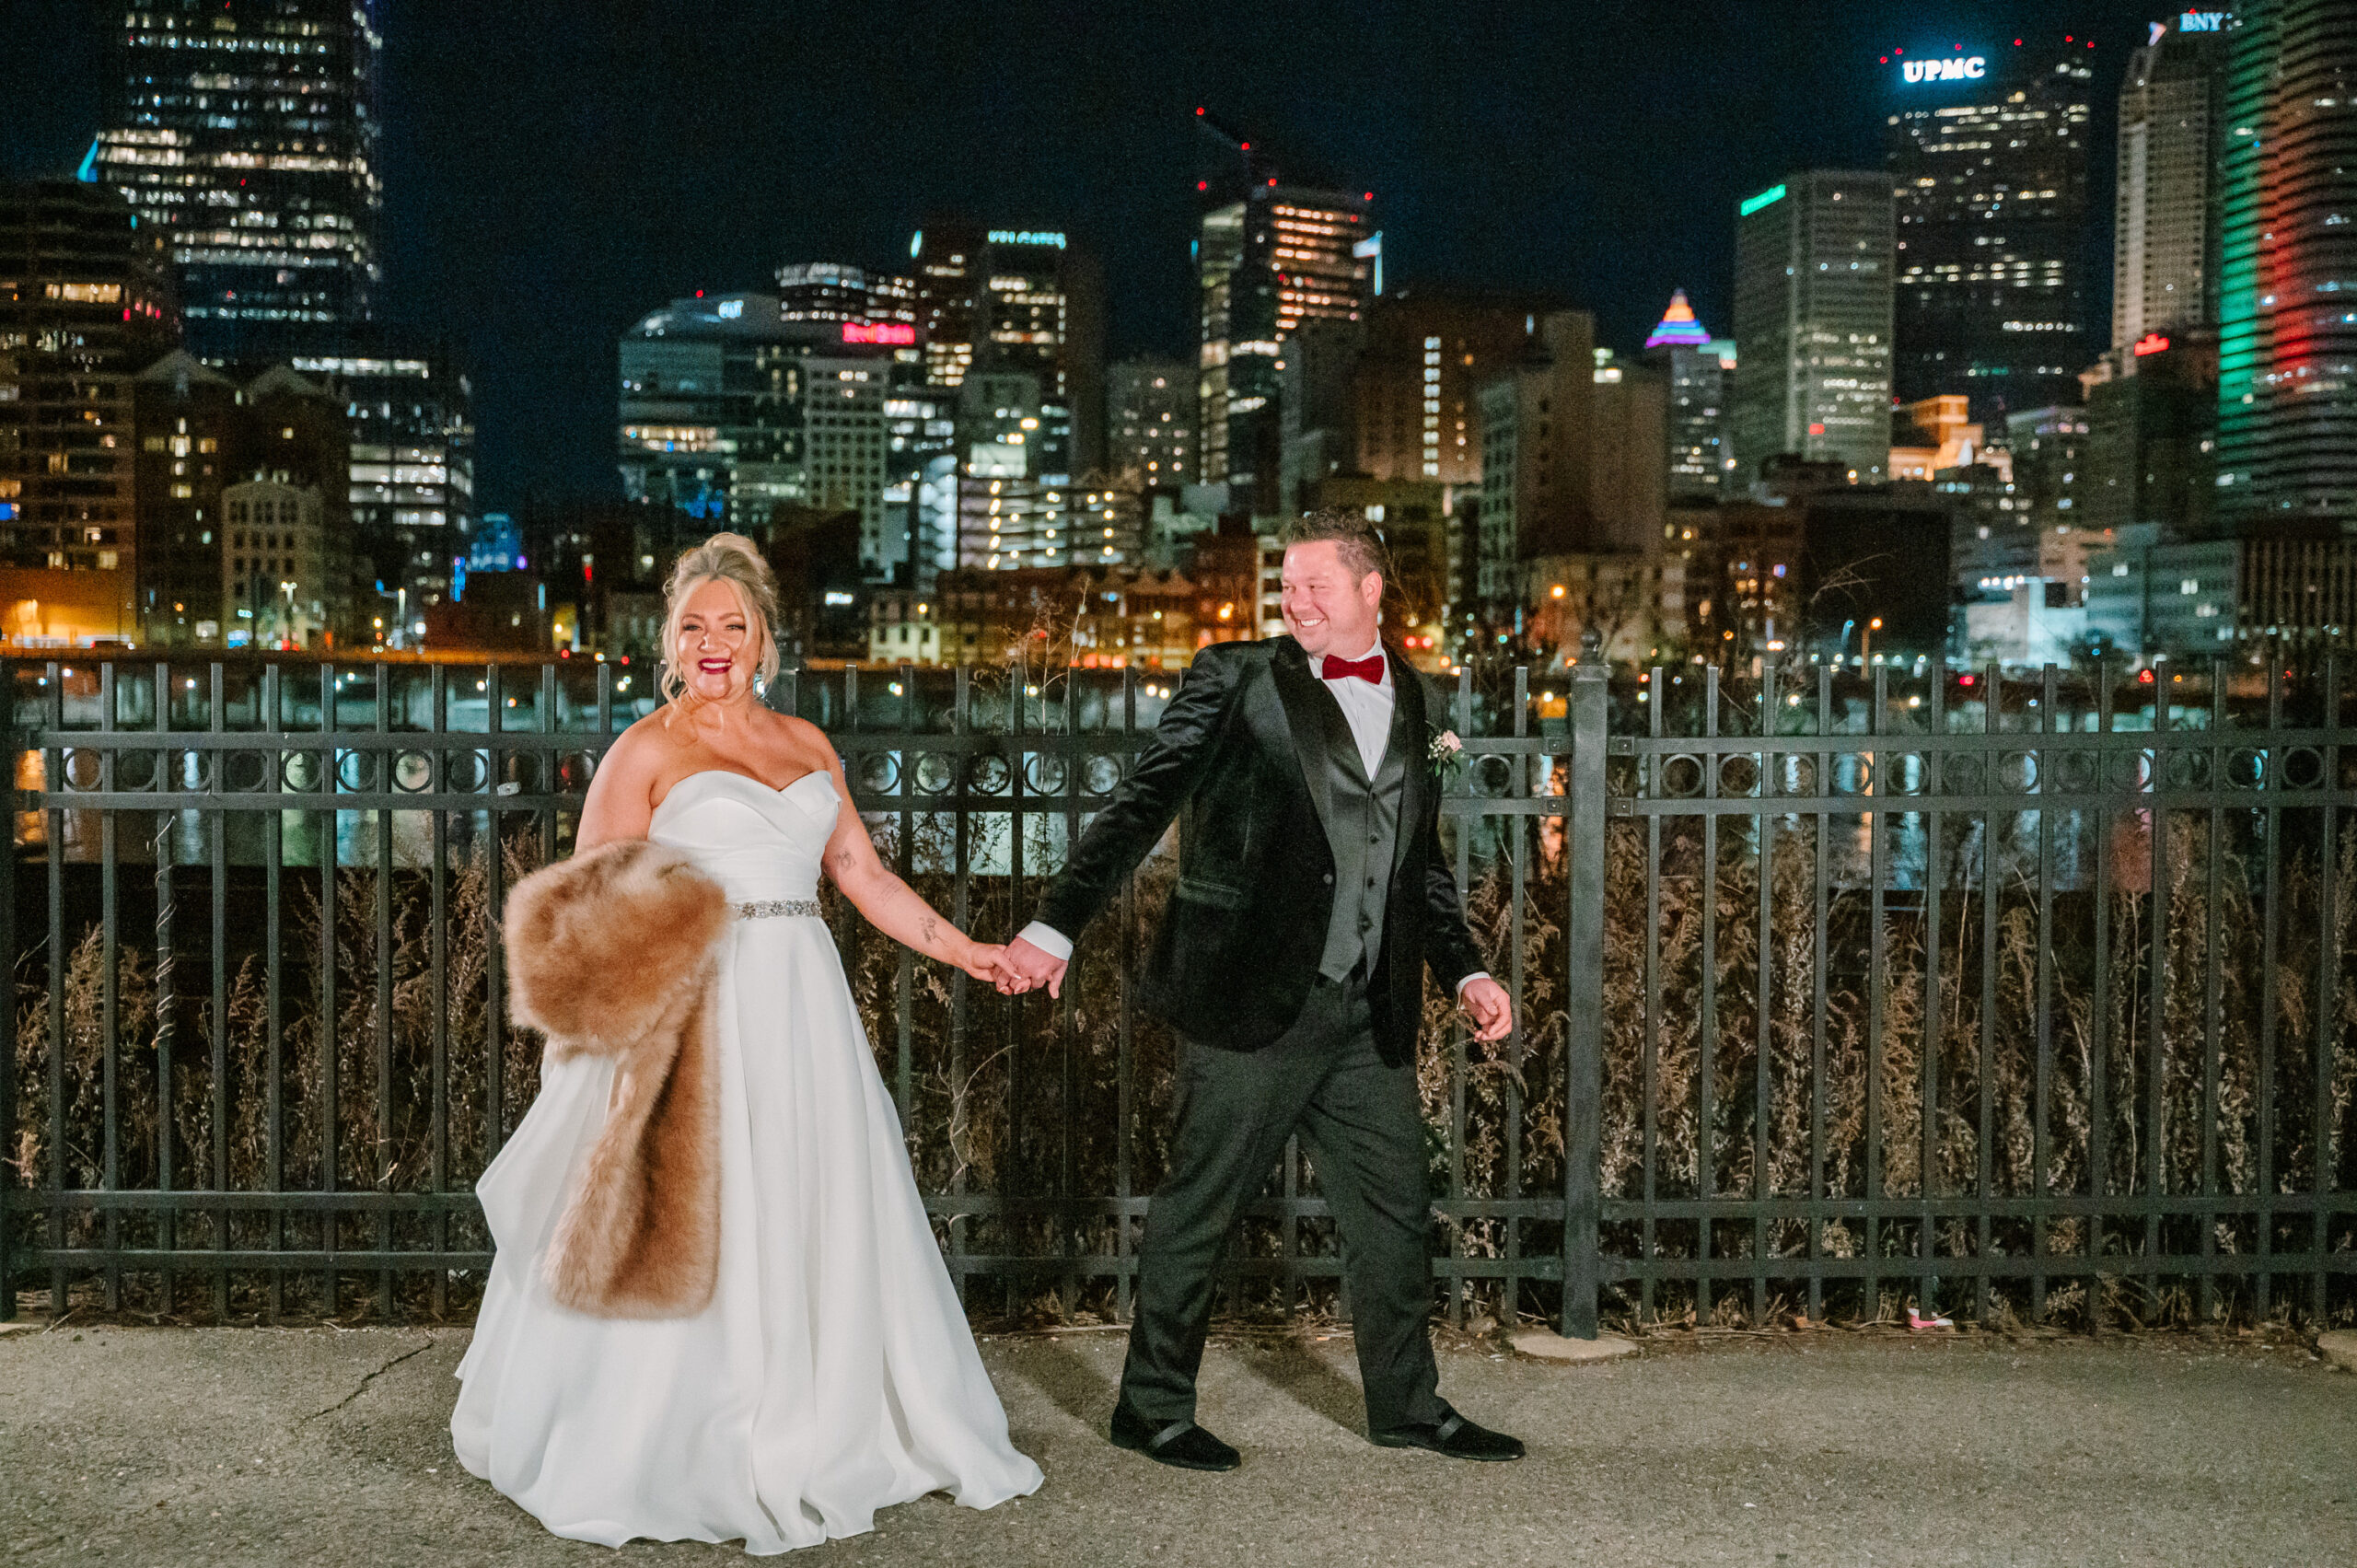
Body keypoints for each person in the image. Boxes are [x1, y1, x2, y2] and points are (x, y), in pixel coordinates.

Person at [451, 533, 1044, 1552]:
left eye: (734, 623)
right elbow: (589, 899)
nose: (715, 641)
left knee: (808, 1195)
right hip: (699, 1004)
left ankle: (820, 1415)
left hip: (802, 1004)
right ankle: (670, 1434)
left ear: (768, 637)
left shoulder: (810, 746)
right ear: (668, 643)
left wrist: (968, 950)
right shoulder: (644, 749)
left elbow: (862, 876)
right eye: (695, 625)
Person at [998, 510, 1524, 1471]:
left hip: (1369, 1013)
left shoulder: (1419, 693)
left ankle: (1408, 1405)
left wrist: (1467, 968)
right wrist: (1055, 920)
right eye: (1287, 585)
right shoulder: (1236, 676)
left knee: (1396, 1213)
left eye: (1317, 583)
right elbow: (1143, 800)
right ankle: (1150, 1406)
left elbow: (1419, 866)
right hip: (1248, 998)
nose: (1296, 599)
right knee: (1199, 1207)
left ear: (1371, 590)